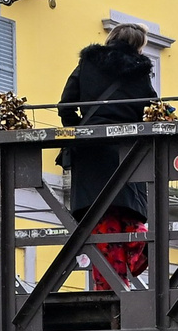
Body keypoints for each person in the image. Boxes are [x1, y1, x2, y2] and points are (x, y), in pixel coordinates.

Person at [59, 24, 159, 281]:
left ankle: (111, 285)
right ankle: (137, 250)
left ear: (111, 38)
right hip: (126, 153)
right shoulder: (139, 72)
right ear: (138, 45)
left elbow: (65, 105)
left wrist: (78, 133)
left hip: (91, 154)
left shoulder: (88, 63)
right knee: (128, 213)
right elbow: (151, 112)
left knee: (102, 223)